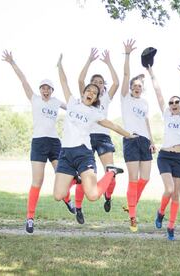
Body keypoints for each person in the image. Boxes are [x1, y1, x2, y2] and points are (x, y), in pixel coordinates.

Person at [2, 50, 73, 234]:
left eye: (48, 88)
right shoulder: (34, 99)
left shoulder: (57, 101)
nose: (45, 90)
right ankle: (30, 218)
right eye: (43, 88)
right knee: (37, 181)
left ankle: (67, 200)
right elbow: (23, 80)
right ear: (40, 89)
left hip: (55, 143)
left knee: (62, 176)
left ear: (52, 90)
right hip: (39, 143)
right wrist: (12, 62)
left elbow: (73, 108)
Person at [53, 54, 135, 216]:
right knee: (58, 195)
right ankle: (76, 178)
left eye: (95, 93)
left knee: (93, 195)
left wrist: (129, 135)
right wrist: (60, 66)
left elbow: (112, 125)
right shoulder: (71, 102)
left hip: (83, 154)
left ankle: (111, 171)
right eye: (89, 90)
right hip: (66, 154)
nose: (91, 92)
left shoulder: (94, 113)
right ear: (83, 93)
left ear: (96, 98)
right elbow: (64, 82)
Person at [71, 47, 120, 224]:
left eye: (100, 82)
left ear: (103, 86)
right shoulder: (86, 97)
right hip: (87, 139)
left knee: (111, 172)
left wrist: (108, 63)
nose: (98, 84)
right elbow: (80, 79)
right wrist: (89, 61)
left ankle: (108, 196)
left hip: (104, 138)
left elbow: (116, 82)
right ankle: (78, 207)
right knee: (82, 175)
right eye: (95, 82)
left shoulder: (105, 98)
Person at [147, 64, 180, 241]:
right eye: (171, 102)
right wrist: (151, 73)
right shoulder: (167, 114)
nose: (173, 104)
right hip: (164, 156)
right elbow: (158, 93)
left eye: (176, 102)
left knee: (177, 195)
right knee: (169, 189)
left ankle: (171, 227)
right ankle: (161, 212)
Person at [120, 39, 156, 232]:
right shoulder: (125, 98)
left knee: (146, 178)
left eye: (139, 86)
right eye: (134, 85)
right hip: (130, 139)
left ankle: (131, 203)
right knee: (133, 179)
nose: (136, 88)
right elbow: (126, 75)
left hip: (144, 141)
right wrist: (127, 55)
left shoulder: (144, 103)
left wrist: (151, 140)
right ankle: (133, 217)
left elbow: (146, 121)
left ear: (142, 89)